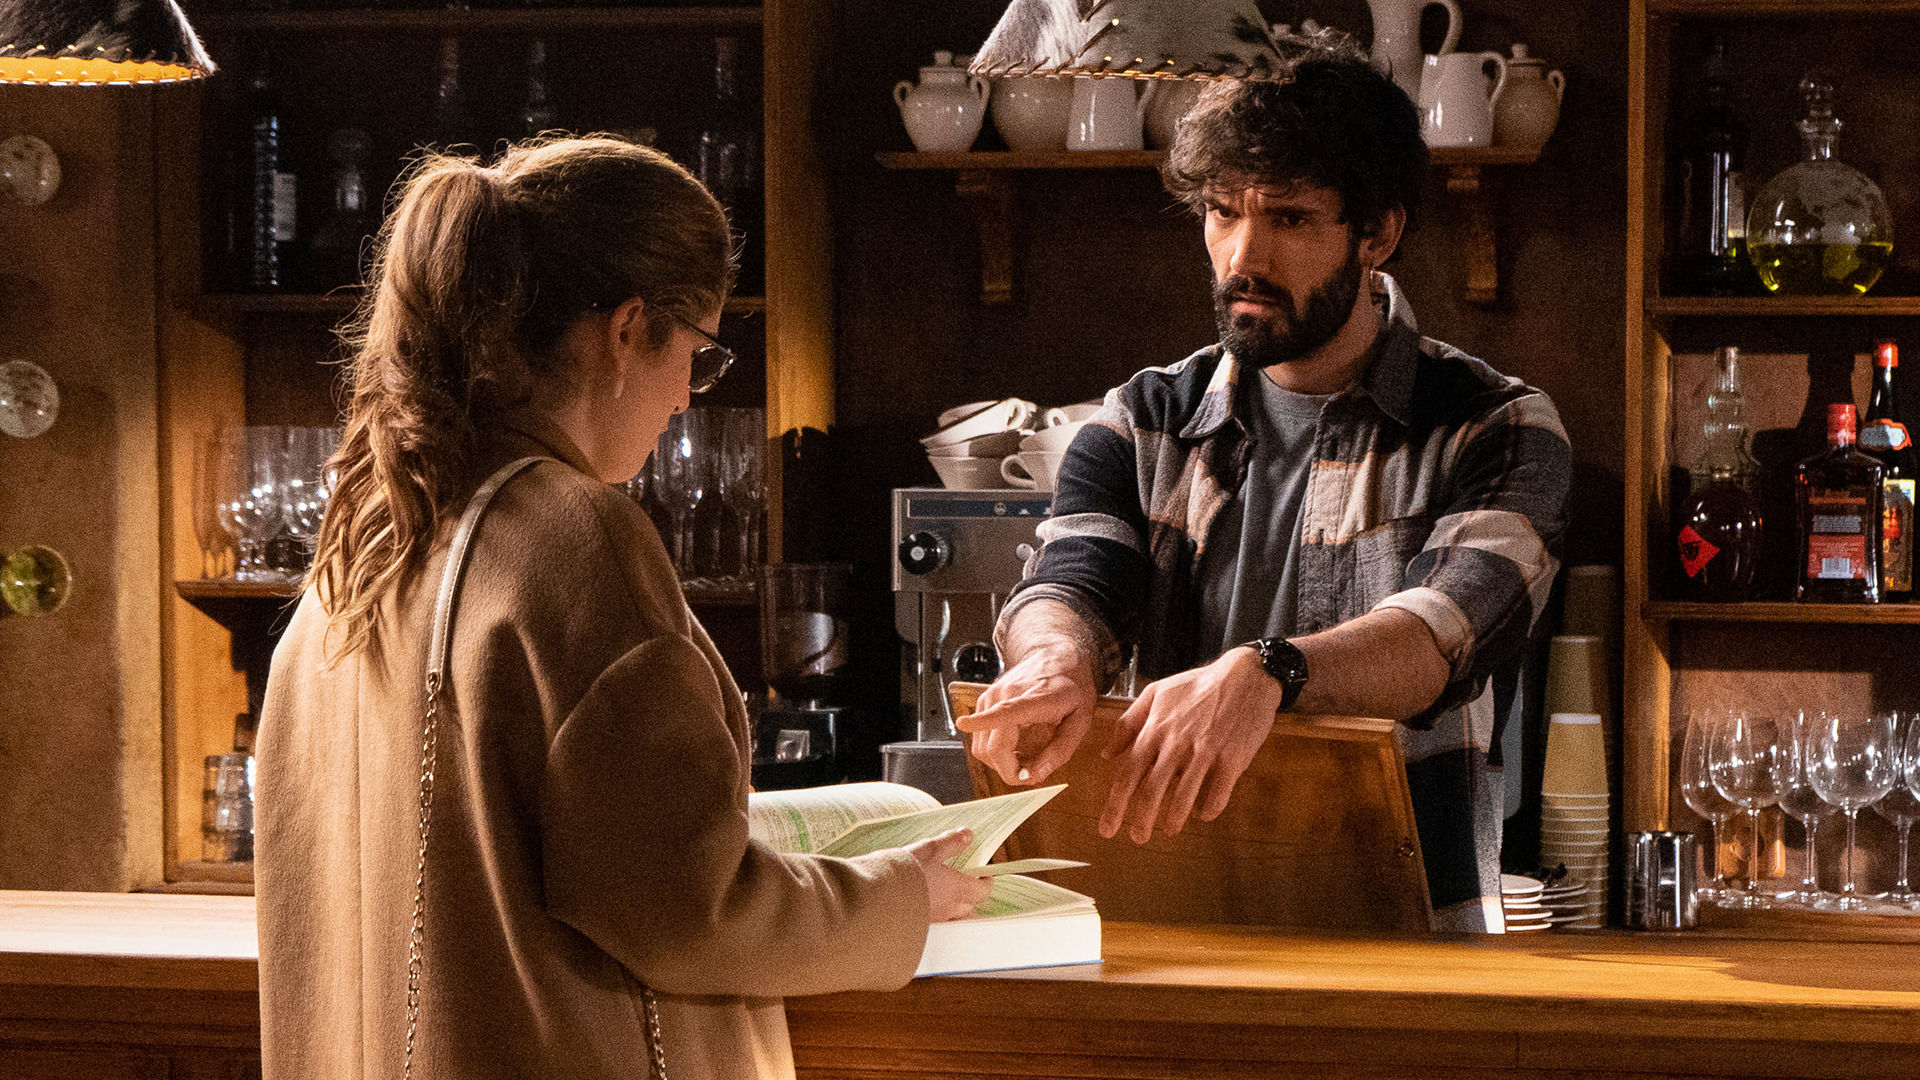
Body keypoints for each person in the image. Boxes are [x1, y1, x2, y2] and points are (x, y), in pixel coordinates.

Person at [255, 137, 991, 1080]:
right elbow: (683, 910)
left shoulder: (367, 536)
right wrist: (898, 898)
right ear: (628, 330)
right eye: (698, 356)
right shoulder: (577, 538)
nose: (687, 397)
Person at [959, 52, 1571, 933]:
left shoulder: (1496, 425)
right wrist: (1054, 657)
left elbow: (1437, 637)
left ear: (1378, 233)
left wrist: (1270, 671)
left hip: (1406, 942)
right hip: (1168, 928)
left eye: (1288, 217)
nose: (1244, 256)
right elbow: (1072, 583)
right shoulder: (1142, 420)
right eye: (1222, 211)